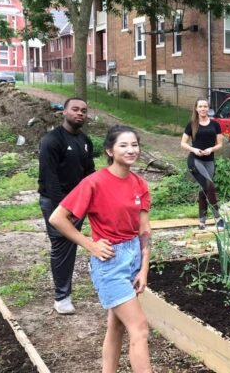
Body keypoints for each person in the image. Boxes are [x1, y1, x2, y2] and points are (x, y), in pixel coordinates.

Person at [49, 125, 152, 372]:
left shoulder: (139, 184)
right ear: (110, 150)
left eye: (134, 145)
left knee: (116, 326)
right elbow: (57, 218)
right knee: (139, 328)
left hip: (133, 259)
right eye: (123, 145)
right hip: (111, 263)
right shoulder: (94, 183)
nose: (130, 150)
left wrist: (144, 269)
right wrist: (90, 244)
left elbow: (144, 229)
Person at [38, 97, 95, 315]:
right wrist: (63, 208)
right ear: (64, 112)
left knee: (71, 244)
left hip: (78, 202)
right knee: (62, 244)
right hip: (56, 202)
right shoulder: (52, 140)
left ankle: (67, 291)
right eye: (75, 109)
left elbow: (89, 174)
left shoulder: (85, 140)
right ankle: (62, 297)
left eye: (83, 110)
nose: (80, 113)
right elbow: (49, 177)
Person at [181, 98, 224, 229]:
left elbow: (220, 144)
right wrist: (194, 149)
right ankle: (218, 219)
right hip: (195, 160)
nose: (203, 109)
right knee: (209, 186)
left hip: (209, 161)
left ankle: (202, 222)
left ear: (208, 108)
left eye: (205, 106)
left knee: (203, 189)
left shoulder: (215, 125)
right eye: (200, 106)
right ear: (196, 108)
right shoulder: (191, 124)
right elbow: (183, 143)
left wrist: (211, 149)